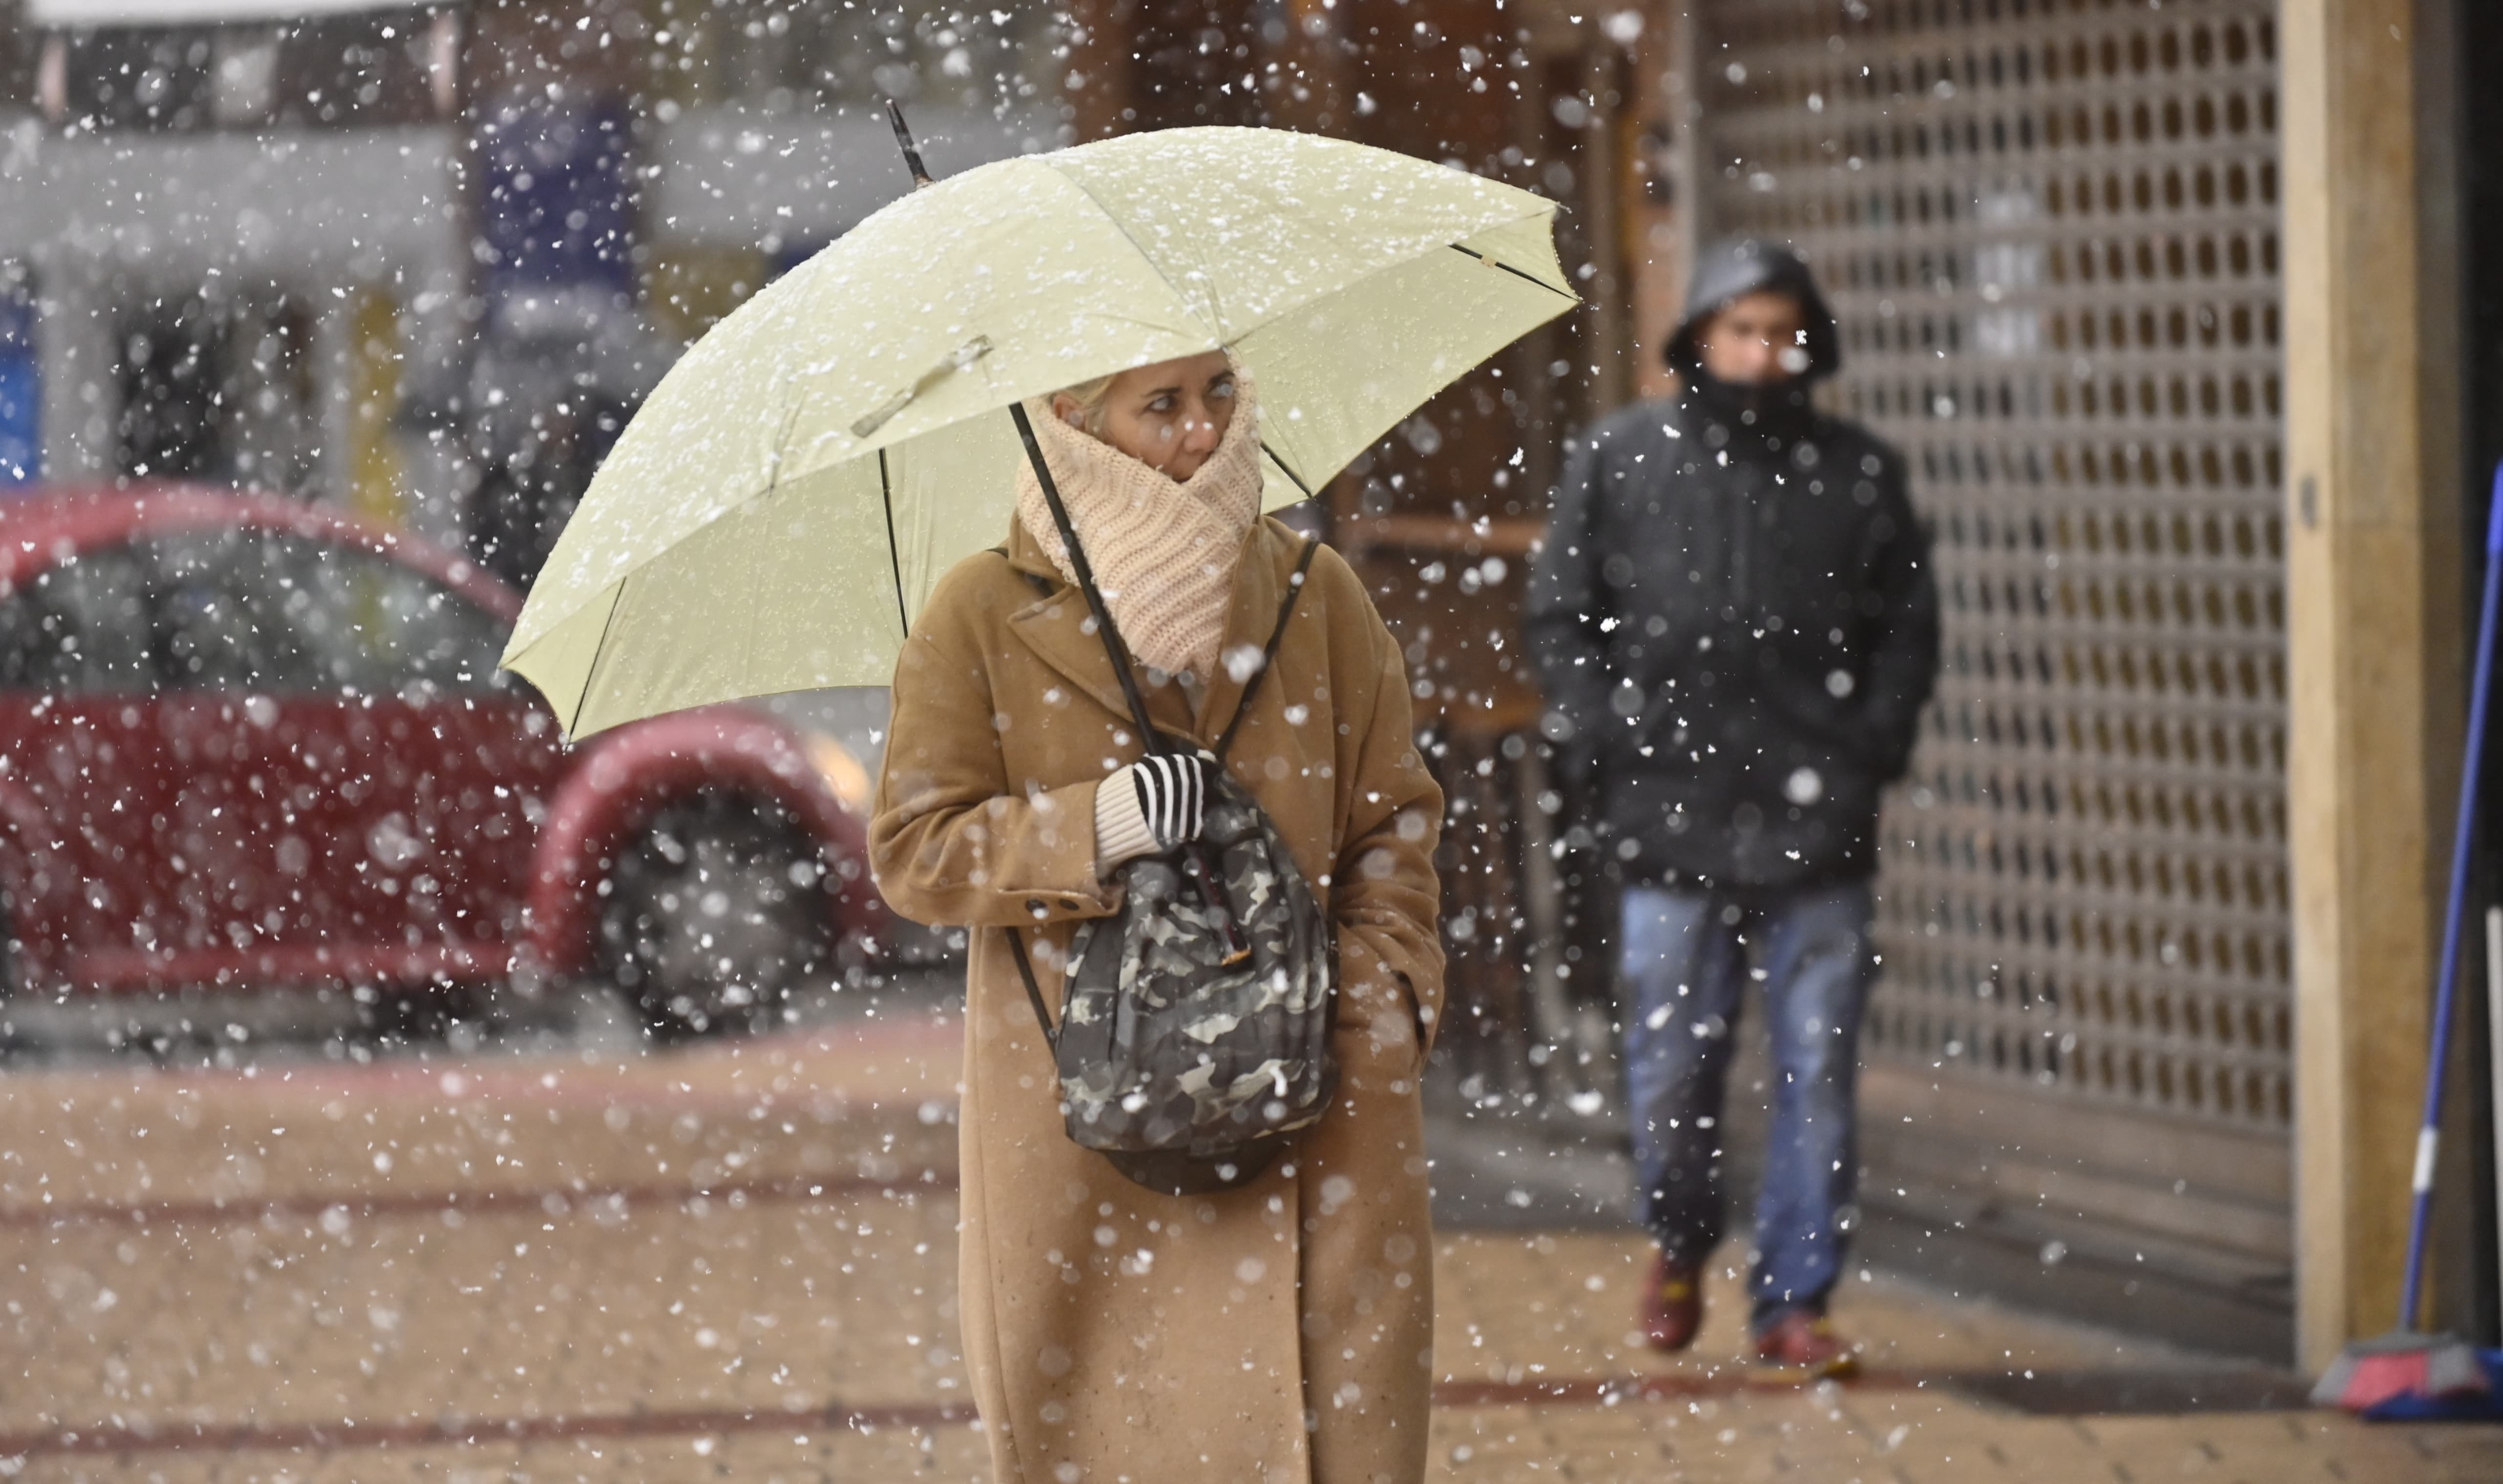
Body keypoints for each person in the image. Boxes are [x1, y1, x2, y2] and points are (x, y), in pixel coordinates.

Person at [869, 350, 1447, 1483]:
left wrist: (1380, 1002)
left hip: (1315, 1097)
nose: (1201, 431)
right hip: (1089, 1108)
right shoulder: (980, 613)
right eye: (1163, 405)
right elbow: (913, 851)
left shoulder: (1313, 592)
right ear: (1074, 423)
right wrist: (1092, 828)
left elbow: (1395, 823)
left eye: (1220, 392)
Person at [1523, 239, 1940, 1377]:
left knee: (1819, 1068)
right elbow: (1560, 615)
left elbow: (1906, 628)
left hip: (1820, 822)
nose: (1765, 352)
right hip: (1668, 816)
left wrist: (1867, 750)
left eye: (1783, 330)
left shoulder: (1855, 471)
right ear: (1701, 333)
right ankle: (1676, 1236)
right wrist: (1609, 727)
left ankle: (1792, 1301)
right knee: (1669, 1070)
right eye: (1743, 328)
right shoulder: (1622, 457)